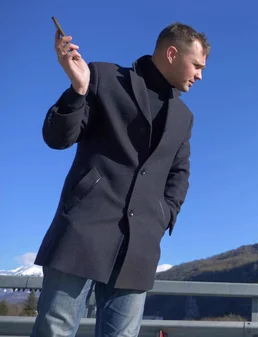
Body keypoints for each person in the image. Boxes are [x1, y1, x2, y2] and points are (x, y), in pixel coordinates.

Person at [30, 22, 210, 337]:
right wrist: (77, 91)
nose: (199, 75)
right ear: (171, 53)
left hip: (138, 247)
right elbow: (57, 138)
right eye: (196, 65)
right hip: (82, 232)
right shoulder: (103, 77)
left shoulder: (185, 118)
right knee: (53, 331)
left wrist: (163, 214)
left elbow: (179, 174)